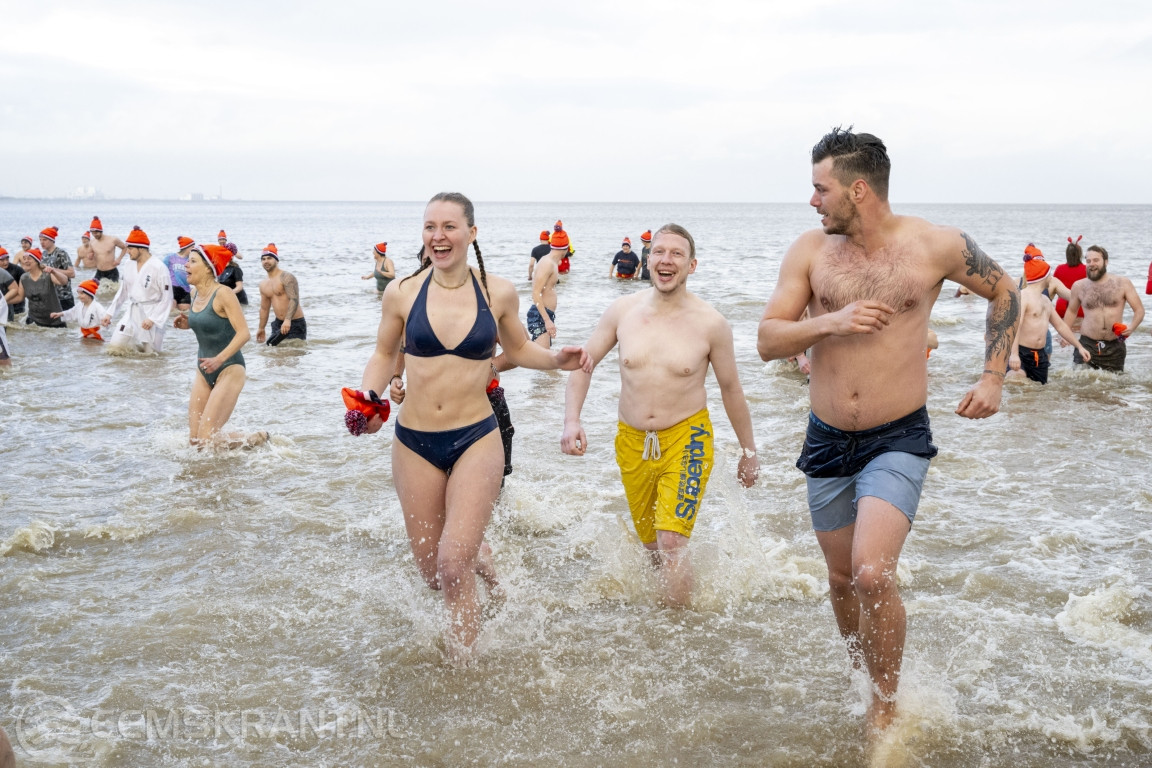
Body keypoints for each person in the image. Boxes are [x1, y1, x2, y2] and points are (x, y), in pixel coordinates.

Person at [756, 128, 1019, 734]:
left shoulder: (935, 246)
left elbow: (1005, 288)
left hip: (897, 435)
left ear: (858, 189)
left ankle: (886, 705)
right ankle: (861, 671)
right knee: (843, 578)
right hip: (826, 438)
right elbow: (769, 340)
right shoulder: (810, 253)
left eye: (820, 189)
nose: (813, 201)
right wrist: (832, 323)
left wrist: (993, 377)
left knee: (873, 572)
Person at [350, 191, 590, 662]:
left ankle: (465, 670)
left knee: (452, 564)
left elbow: (519, 349)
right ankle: (482, 557)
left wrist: (556, 361)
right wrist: (370, 400)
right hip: (414, 442)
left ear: (471, 233)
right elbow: (383, 355)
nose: (438, 236)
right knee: (433, 574)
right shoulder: (402, 291)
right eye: (429, 227)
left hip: (476, 438)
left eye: (449, 227)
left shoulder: (497, 292)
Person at [562, 223, 760, 608]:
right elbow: (582, 365)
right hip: (632, 440)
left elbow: (731, 389)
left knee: (671, 541)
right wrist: (572, 419)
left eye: (677, 254)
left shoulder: (711, 324)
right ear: (647, 259)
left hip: (687, 438)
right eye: (659, 252)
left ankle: (676, 632)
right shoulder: (623, 311)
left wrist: (748, 451)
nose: (666, 260)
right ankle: (665, 623)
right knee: (653, 545)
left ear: (692, 265)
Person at [172, 244, 268, 449]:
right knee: (195, 442)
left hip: (229, 368)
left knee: (207, 440)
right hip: (204, 370)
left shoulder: (224, 293)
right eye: (187, 260)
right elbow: (211, 322)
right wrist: (188, 323)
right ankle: (251, 441)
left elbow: (244, 333)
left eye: (192, 261)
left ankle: (256, 438)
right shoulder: (195, 293)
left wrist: (219, 359)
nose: (186, 264)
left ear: (208, 268)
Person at [1009, 252, 1090, 383]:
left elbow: (1060, 326)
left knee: (1040, 394)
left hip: (1040, 356)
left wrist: (1079, 346)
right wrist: (1014, 354)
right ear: (1043, 277)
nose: (1050, 278)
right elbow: (1015, 325)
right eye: (1049, 275)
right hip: (1021, 353)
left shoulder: (1046, 300)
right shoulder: (1023, 296)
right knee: (1016, 380)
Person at [1062, 245, 1144, 372]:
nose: (1091, 264)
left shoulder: (1123, 283)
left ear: (1106, 262)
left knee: (1113, 386)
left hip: (1115, 345)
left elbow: (1139, 310)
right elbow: (1072, 312)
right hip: (1086, 344)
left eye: (1096, 260)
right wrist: (1064, 335)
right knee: (1079, 384)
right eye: (1088, 261)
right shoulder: (1079, 286)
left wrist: (1132, 327)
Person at [103, 227, 175, 353]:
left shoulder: (159, 267)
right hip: (132, 311)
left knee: (152, 356)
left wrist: (153, 319)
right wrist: (110, 313)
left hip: (151, 313)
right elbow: (123, 291)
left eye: (130, 248)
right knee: (115, 348)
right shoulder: (128, 264)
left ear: (141, 248)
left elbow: (167, 298)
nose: (127, 252)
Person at [256, 244, 306, 345]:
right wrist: (261, 328)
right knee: (273, 353)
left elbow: (294, 299)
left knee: (292, 355)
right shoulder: (263, 284)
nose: (266, 261)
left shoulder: (286, 277)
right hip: (278, 323)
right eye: (263, 259)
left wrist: (288, 320)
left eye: (269, 258)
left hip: (294, 323)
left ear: (276, 260)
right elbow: (264, 308)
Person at [526, 230, 564, 347]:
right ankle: (493, 365)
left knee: (544, 359)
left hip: (545, 314)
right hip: (540, 316)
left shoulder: (551, 262)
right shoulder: (547, 263)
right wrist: (547, 320)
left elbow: (532, 265)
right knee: (542, 360)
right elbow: (535, 293)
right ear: (564, 249)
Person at [14, 248, 66, 327]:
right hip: (33, 321)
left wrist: (54, 272)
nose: (25, 261)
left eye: (29, 259)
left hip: (54, 321)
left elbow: (64, 281)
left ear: (37, 261)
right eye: (24, 259)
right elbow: (19, 298)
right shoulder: (24, 278)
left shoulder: (47, 275)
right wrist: (3, 301)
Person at [39, 226, 75, 310]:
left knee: (68, 322)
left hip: (64, 296)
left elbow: (72, 273)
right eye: (40, 240)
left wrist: (53, 270)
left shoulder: (61, 253)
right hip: (50, 296)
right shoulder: (43, 254)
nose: (41, 242)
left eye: (44, 240)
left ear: (52, 240)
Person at [88, 216, 127, 294]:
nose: (95, 235)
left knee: (112, 294)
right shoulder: (92, 242)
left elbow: (124, 248)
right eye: (93, 233)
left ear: (101, 231)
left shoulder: (112, 240)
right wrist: (90, 255)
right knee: (93, 292)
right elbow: (90, 252)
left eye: (96, 233)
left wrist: (119, 259)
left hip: (112, 272)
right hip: (99, 272)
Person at [1055, 236, 1087, 327]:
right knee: (1077, 336)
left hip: (1061, 306)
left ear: (1067, 254)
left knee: (1062, 335)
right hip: (1079, 307)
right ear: (1080, 254)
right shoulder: (1086, 269)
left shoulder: (1059, 269)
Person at [164, 236, 196, 310]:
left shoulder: (191, 260)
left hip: (185, 290)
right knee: (171, 313)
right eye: (192, 247)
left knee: (184, 314)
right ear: (186, 247)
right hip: (172, 289)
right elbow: (161, 271)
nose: (194, 249)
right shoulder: (170, 257)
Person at [0, 247, 26, 319]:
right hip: (4, 301)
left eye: (7, 259)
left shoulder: (17, 270)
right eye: (2, 260)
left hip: (17, 304)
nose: (5, 262)